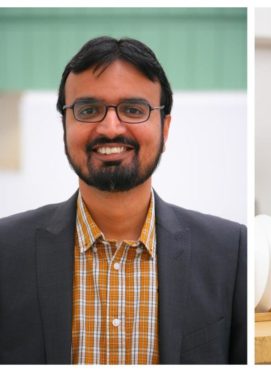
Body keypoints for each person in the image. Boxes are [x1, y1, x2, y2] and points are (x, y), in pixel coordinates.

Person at [0, 36, 247, 364]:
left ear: (165, 128)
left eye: (134, 109)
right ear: (65, 126)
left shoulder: (230, 252)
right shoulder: (6, 250)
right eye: (89, 110)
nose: (111, 127)